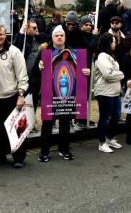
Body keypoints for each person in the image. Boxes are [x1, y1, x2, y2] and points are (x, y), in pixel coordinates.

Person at [35, 26, 90, 161]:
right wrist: (39, 67)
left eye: (62, 35)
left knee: (65, 123)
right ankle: (44, 151)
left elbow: (81, 72)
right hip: (50, 94)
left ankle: (64, 149)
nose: (59, 37)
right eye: (56, 35)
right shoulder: (45, 52)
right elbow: (35, 73)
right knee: (47, 123)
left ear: (65, 37)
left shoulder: (74, 52)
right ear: (52, 38)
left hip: (68, 94)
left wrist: (87, 72)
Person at [0, 24, 29, 168]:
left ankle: (19, 158)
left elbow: (22, 75)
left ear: (5, 35)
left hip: (12, 96)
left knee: (17, 129)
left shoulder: (14, 51)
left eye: (1, 34)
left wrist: (21, 94)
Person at [94, 33, 124, 153]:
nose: (115, 44)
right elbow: (108, 74)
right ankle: (102, 142)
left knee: (116, 116)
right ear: (107, 43)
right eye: (113, 41)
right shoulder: (102, 56)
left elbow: (111, 73)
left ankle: (110, 138)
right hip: (105, 92)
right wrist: (121, 74)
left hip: (114, 92)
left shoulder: (110, 55)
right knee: (105, 117)